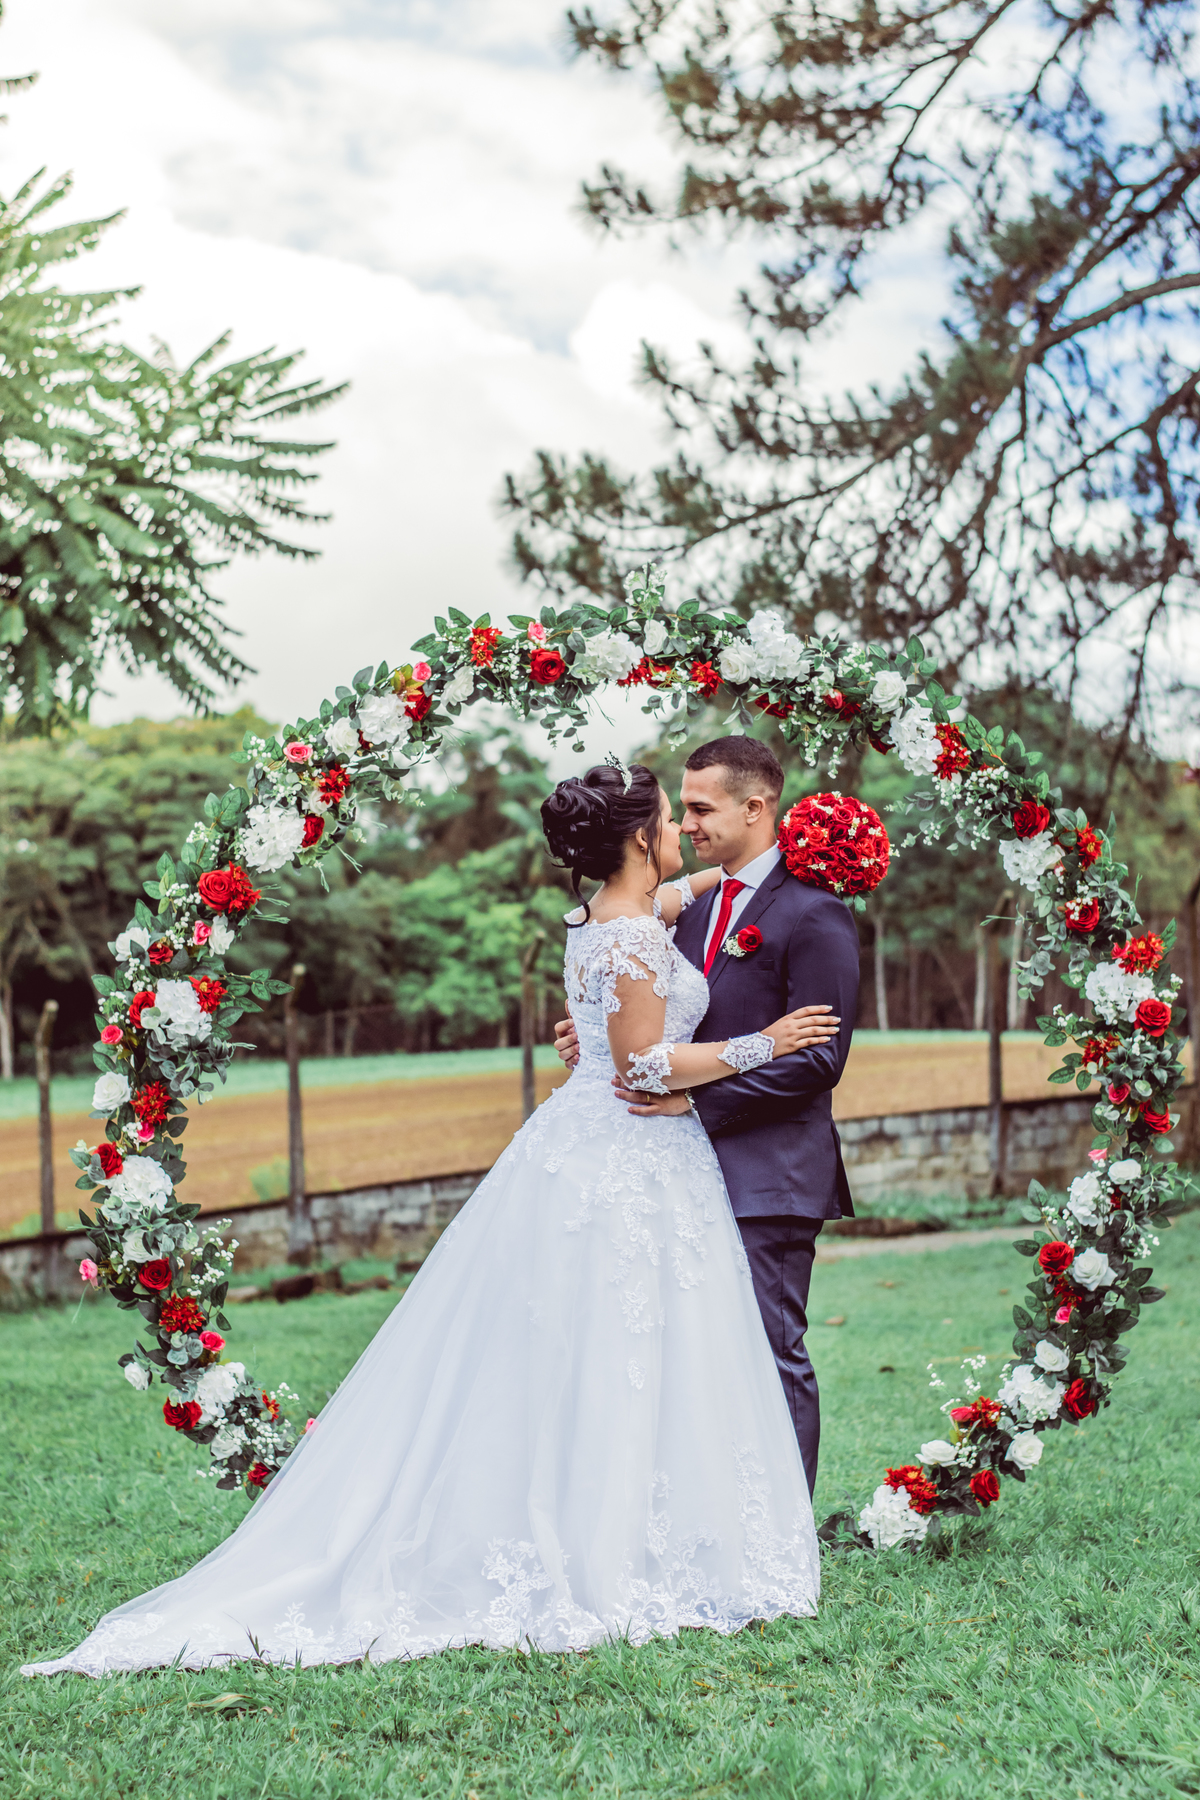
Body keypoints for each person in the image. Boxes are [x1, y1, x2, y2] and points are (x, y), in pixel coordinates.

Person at [23, 760, 838, 1679]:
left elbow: (670, 912)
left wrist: (750, 865)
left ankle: (647, 1534)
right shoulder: (630, 937)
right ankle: (609, 1552)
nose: (680, 830)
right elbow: (641, 1069)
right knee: (619, 1346)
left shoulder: (616, 917)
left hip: (615, 1157)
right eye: (665, 817)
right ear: (634, 835)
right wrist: (763, 1042)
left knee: (625, 1348)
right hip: (630, 1151)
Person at [555, 738, 860, 1495]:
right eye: (678, 810)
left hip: (768, 1171)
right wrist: (595, 1034)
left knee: (768, 1349)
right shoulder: (683, 906)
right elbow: (646, 1010)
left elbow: (818, 1058)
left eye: (700, 808)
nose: (686, 824)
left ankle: (788, 1528)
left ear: (755, 807)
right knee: (686, 1359)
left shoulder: (815, 913)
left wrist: (698, 1096)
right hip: (674, 1167)